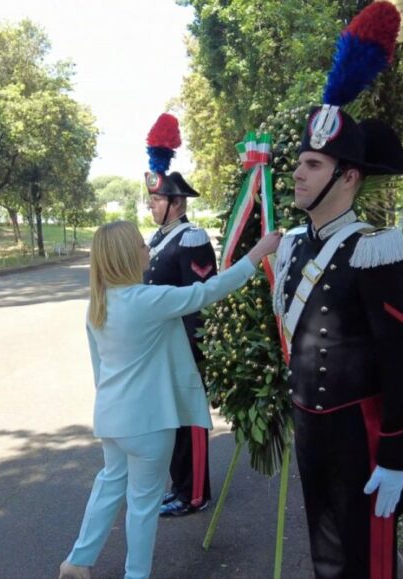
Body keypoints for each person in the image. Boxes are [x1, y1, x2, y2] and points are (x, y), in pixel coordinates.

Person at [59, 221, 280, 579]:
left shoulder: (97, 305)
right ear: (127, 255)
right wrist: (257, 253)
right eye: (141, 245)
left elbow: (99, 371)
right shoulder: (147, 299)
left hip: (111, 418)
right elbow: (209, 291)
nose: (148, 249)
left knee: (109, 485)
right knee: (142, 506)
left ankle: (78, 561)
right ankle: (135, 575)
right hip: (148, 421)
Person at [272, 105, 403, 578]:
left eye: (314, 164)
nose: (298, 173)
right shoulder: (295, 245)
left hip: (357, 438)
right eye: (301, 161)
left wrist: (397, 456)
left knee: (367, 561)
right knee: (326, 555)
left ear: (348, 177)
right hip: (309, 428)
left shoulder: (375, 250)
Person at [143, 113, 219, 517]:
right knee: (172, 424)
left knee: (189, 422)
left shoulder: (191, 237)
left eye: (157, 199)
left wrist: (196, 351)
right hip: (162, 347)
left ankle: (195, 493)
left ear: (176, 202)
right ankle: (179, 485)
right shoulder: (159, 238)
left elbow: (200, 297)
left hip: (185, 348)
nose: (152, 205)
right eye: (152, 199)